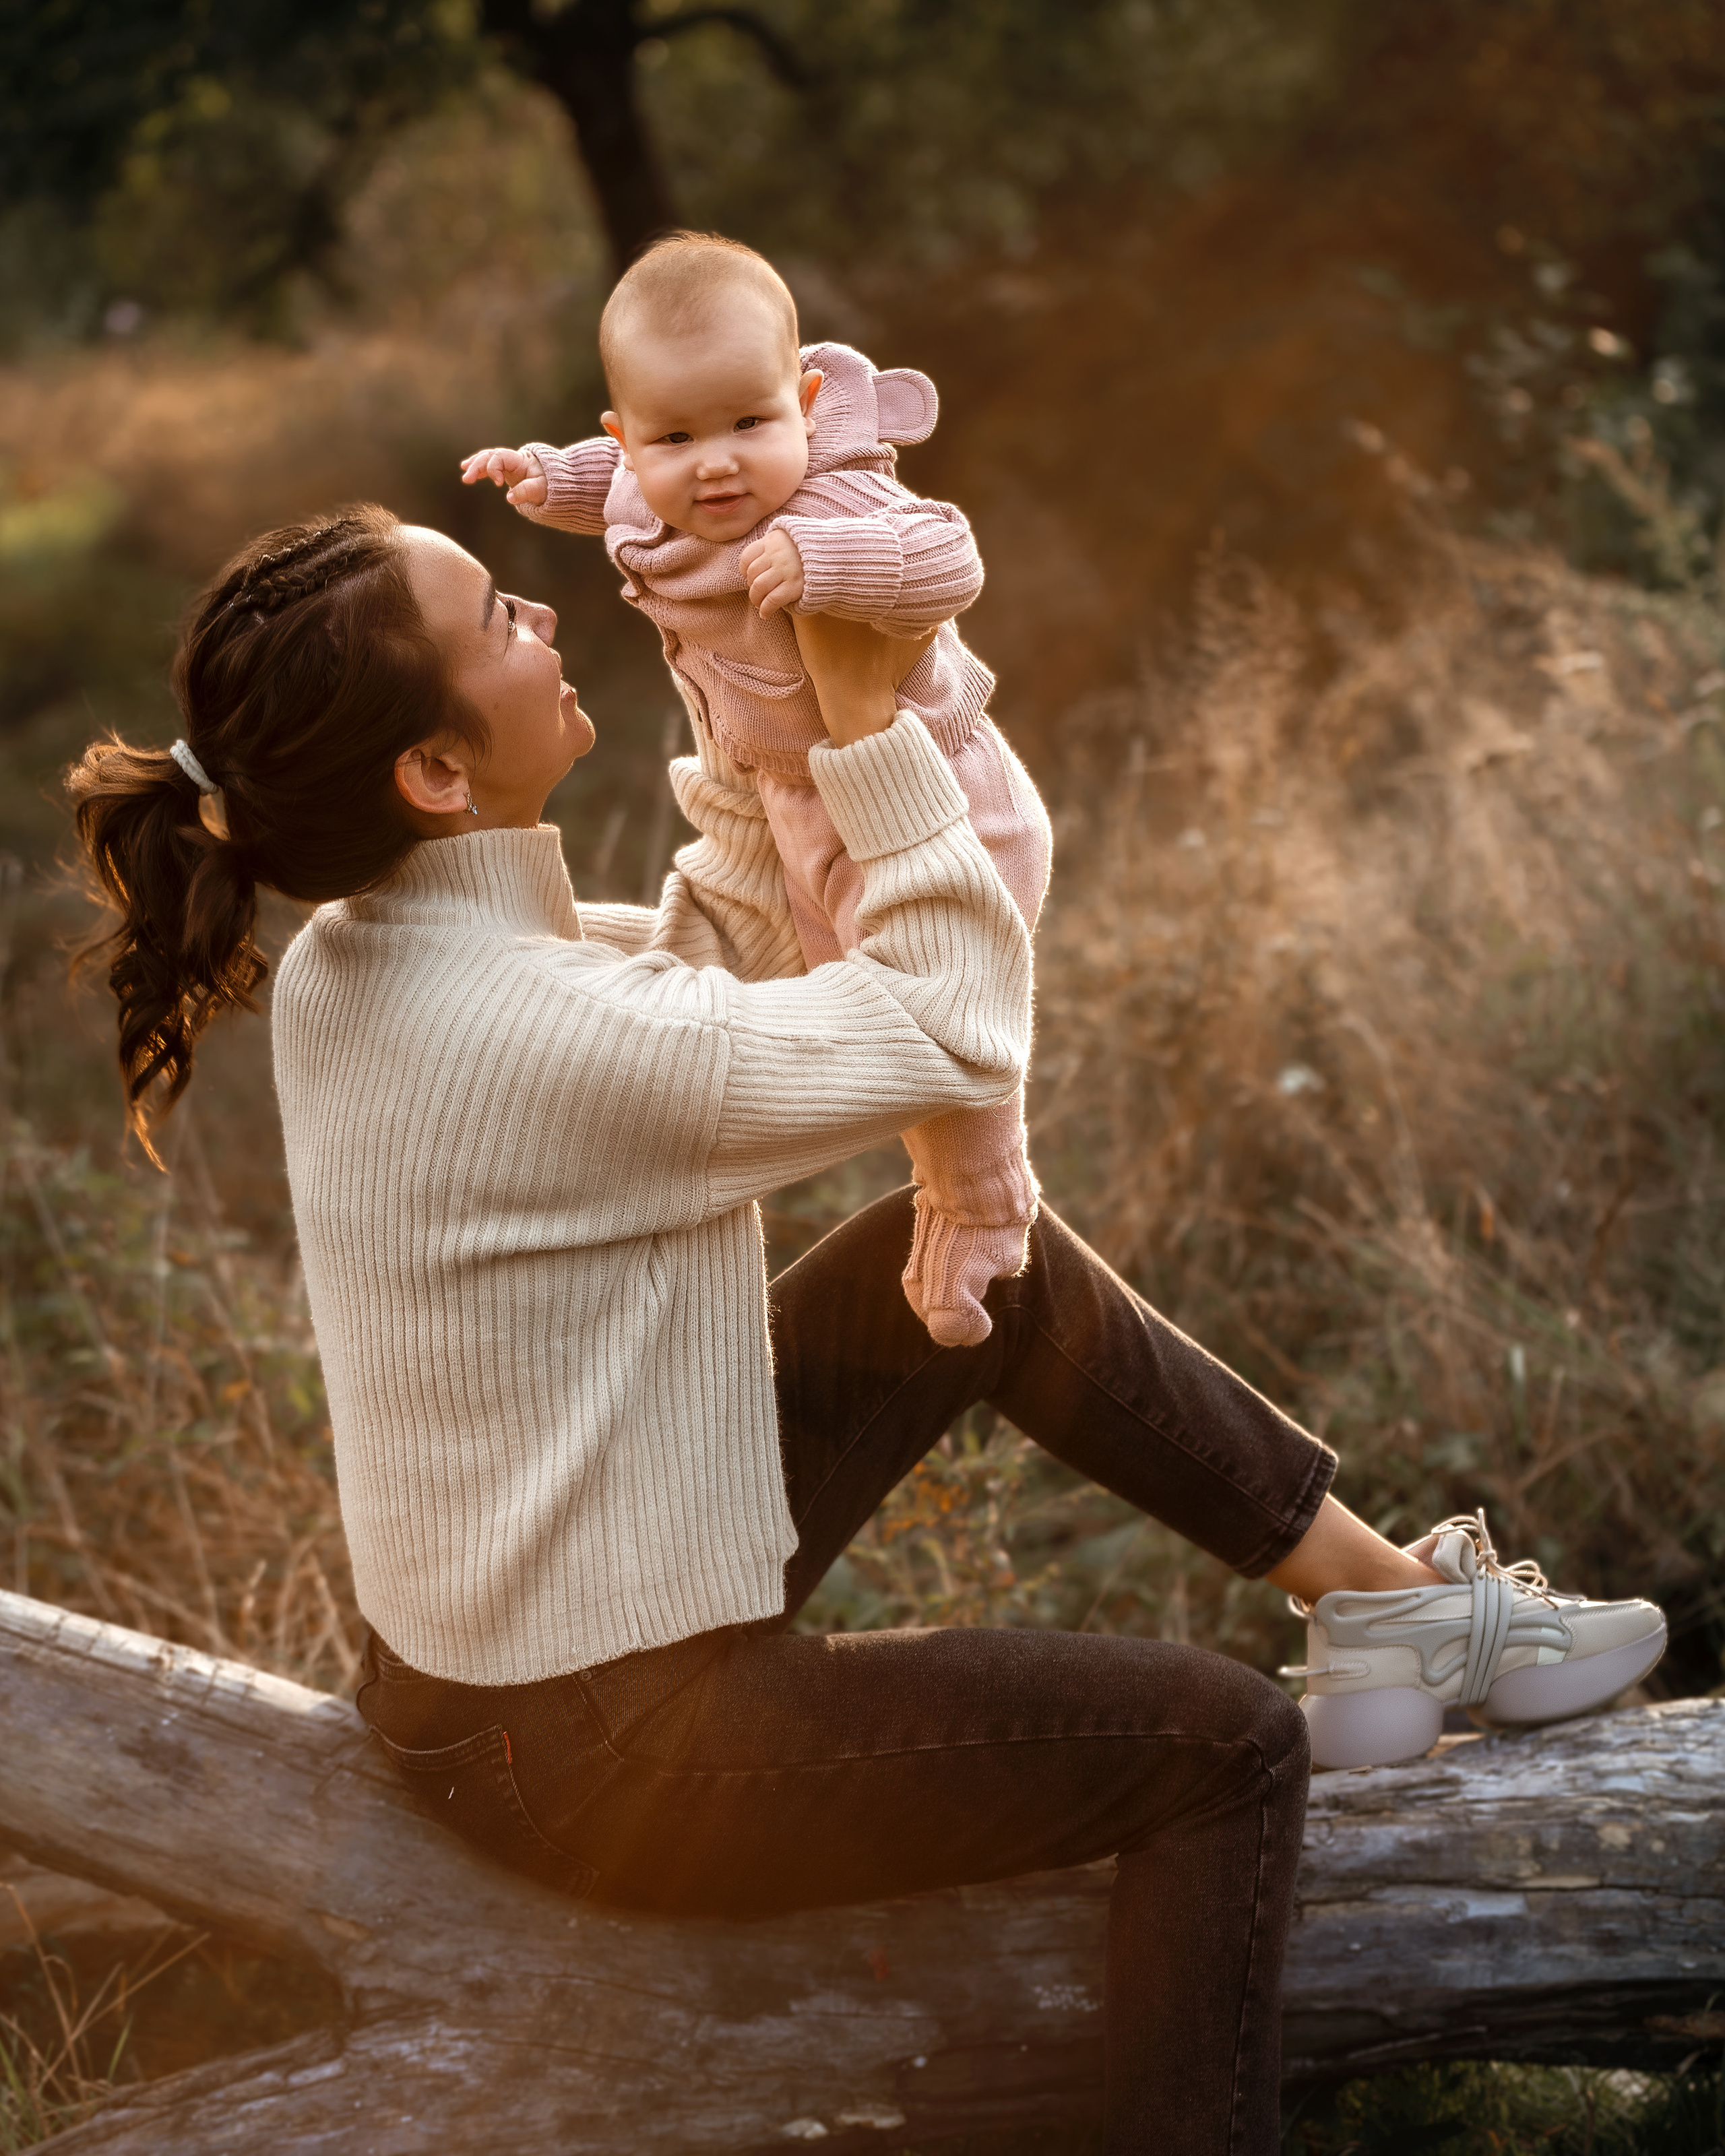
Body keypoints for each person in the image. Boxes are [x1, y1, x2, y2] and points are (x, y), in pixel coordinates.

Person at [66, 504, 1665, 2155]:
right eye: (495, 618)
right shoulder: (539, 1030)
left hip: (508, 1651)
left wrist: (746, 690)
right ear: (434, 775)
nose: (541, 613)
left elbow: (709, 961)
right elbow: (952, 1024)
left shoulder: (366, 954)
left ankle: (1392, 1609)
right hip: (604, 1742)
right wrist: (866, 733)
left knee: (963, 1245)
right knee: (1227, 1747)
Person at [461, 230, 1048, 1353]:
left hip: (937, 805)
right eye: (676, 437)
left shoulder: (830, 508)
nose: (719, 465)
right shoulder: (658, 489)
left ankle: (983, 1206)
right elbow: (622, 491)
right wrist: (547, 475)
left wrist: (836, 574)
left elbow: (953, 557)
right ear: (626, 437)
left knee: (946, 1052)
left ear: (807, 401)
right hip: (803, 812)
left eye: (750, 423)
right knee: (858, 1029)